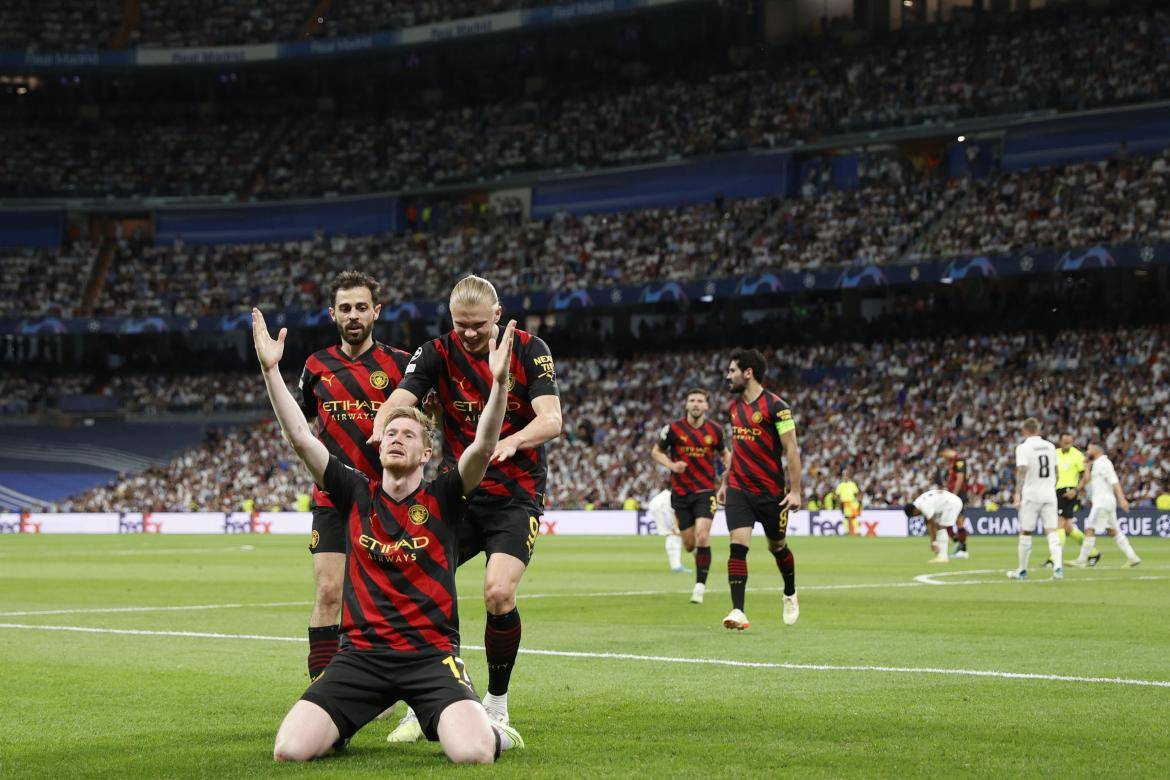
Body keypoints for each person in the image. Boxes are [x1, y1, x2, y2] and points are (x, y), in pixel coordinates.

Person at [253, 308, 525, 764]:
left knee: (474, 753)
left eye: (409, 433)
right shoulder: (355, 492)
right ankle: (341, 721)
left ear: (426, 452)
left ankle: (496, 732)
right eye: (391, 432)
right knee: (289, 751)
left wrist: (498, 385)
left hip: (430, 657)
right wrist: (270, 371)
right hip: (361, 657)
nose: (397, 438)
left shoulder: (446, 495)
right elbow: (300, 436)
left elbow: (481, 445)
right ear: (379, 445)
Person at [370, 275, 562, 739]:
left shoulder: (530, 349)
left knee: (498, 593)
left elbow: (552, 418)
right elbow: (402, 396)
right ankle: (424, 699)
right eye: (461, 325)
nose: (470, 333)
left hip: (516, 494)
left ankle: (496, 703)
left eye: (478, 324)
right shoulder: (438, 351)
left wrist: (511, 441)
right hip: (460, 491)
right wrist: (384, 423)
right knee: (417, 582)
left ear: (497, 316)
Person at [299, 270, 411, 684]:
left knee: (388, 601)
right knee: (329, 592)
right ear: (332, 314)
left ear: (376, 312)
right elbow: (307, 424)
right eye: (345, 308)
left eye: (361, 307)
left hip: (385, 501)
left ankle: (394, 689)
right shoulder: (315, 366)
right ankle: (322, 698)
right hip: (332, 498)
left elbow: (421, 422)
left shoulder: (399, 366)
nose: (353, 315)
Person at [716, 348, 802, 630]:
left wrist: (795, 490)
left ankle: (790, 592)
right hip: (740, 489)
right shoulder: (733, 409)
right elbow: (739, 450)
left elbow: (791, 449)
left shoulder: (778, 407)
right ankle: (738, 610)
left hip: (771, 493)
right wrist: (726, 482)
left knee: (777, 547)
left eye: (732, 371)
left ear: (748, 372)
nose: (727, 376)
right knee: (737, 547)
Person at [651, 387, 730, 603]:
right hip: (681, 493)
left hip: (705, 491)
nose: (696, 404)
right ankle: (698, 557)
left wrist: (728, 477)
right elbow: (656, 451)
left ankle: (699, 587)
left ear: (706, 405)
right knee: (689, 544)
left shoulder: (715, 430)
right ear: (686, 404)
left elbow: (725, 453)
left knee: (703, 536)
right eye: (692, 400)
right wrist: (672, 465)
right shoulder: (674, 429)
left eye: (700, 401)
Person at [1070, 443, 1141, 568]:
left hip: (1102, 502)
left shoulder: (1104, 463)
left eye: (1089, 449)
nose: (1087, 451)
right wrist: (1086, 466)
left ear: (1096, 450)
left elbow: (1115, 482)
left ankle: (1081, 560)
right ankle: (1133, 557)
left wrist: (1122, 499)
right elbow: (1088, 480)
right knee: (1113, 531)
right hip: (1105, 501)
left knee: (1090, 529)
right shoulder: (1097, 463)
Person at [1009, 418, 1062, 580]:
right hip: (1049, 494)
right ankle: (1058, 567)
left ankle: (1022, 570)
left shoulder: (1023, 448)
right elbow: (1056, 472)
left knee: (1025, 532)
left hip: (1031, 495)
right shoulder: (1051, 446)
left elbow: (1022, 470)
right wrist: (1050, 487)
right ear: (1038, 430)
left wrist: (1017, 492)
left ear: (1024, 431)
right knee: (1051, 531)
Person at [1049, 433, 1093, 567]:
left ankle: (1053, 559)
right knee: (1068, 527)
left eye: (1070, 442)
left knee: (1059, 524)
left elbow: (1086, 477)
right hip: (1056, 491)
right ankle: (1093, 553)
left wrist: (1075, 490)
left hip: (1069, 491)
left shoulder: (1077, 455)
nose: (1068, 445)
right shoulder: (1054, 453)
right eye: (1065, 442)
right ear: (1060, 442)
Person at [904, 489, 965, 563]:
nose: (917, 516)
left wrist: (934, 543)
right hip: (949, 502)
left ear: (914, 511)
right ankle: (957, 550)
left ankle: (943, 557)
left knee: (941, 528)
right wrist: (933, 542)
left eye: (915, 515)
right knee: (941, 527)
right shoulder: (918, 504)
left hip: (952, 504)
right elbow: (929, 524)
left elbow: (932, 525)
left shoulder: (924, 506)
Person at [646, 488, 689, 573]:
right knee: (673, 533)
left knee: (672, 533)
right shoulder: (681, 496)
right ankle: (676, 567)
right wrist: (676, 527)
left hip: (657, 504)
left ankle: (676, 566)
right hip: (662, 506)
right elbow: (674, 511)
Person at [938, 446, 970, 556]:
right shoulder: (954, 462)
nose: (943, 457)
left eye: (943, 455)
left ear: (947, 451)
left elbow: (960, 479)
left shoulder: (960, 460)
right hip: (954, 494)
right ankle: (960, 546)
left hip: (959, 494)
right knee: (952, 521)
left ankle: (962, 550)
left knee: (959, 520)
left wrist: (954, 495)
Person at [834, 470, 862, 536]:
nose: (845, 477)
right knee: (846, 517)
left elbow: (857, 493)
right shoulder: (840, 485)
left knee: (854, 517)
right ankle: (846, 531)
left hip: (852, 502)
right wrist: (839, 501)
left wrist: (857, 500)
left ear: (848, 476)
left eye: (846, 475)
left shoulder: (852, 484)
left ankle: (857, 531)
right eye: (844, 476)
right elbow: (836, 495)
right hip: (845, 502)